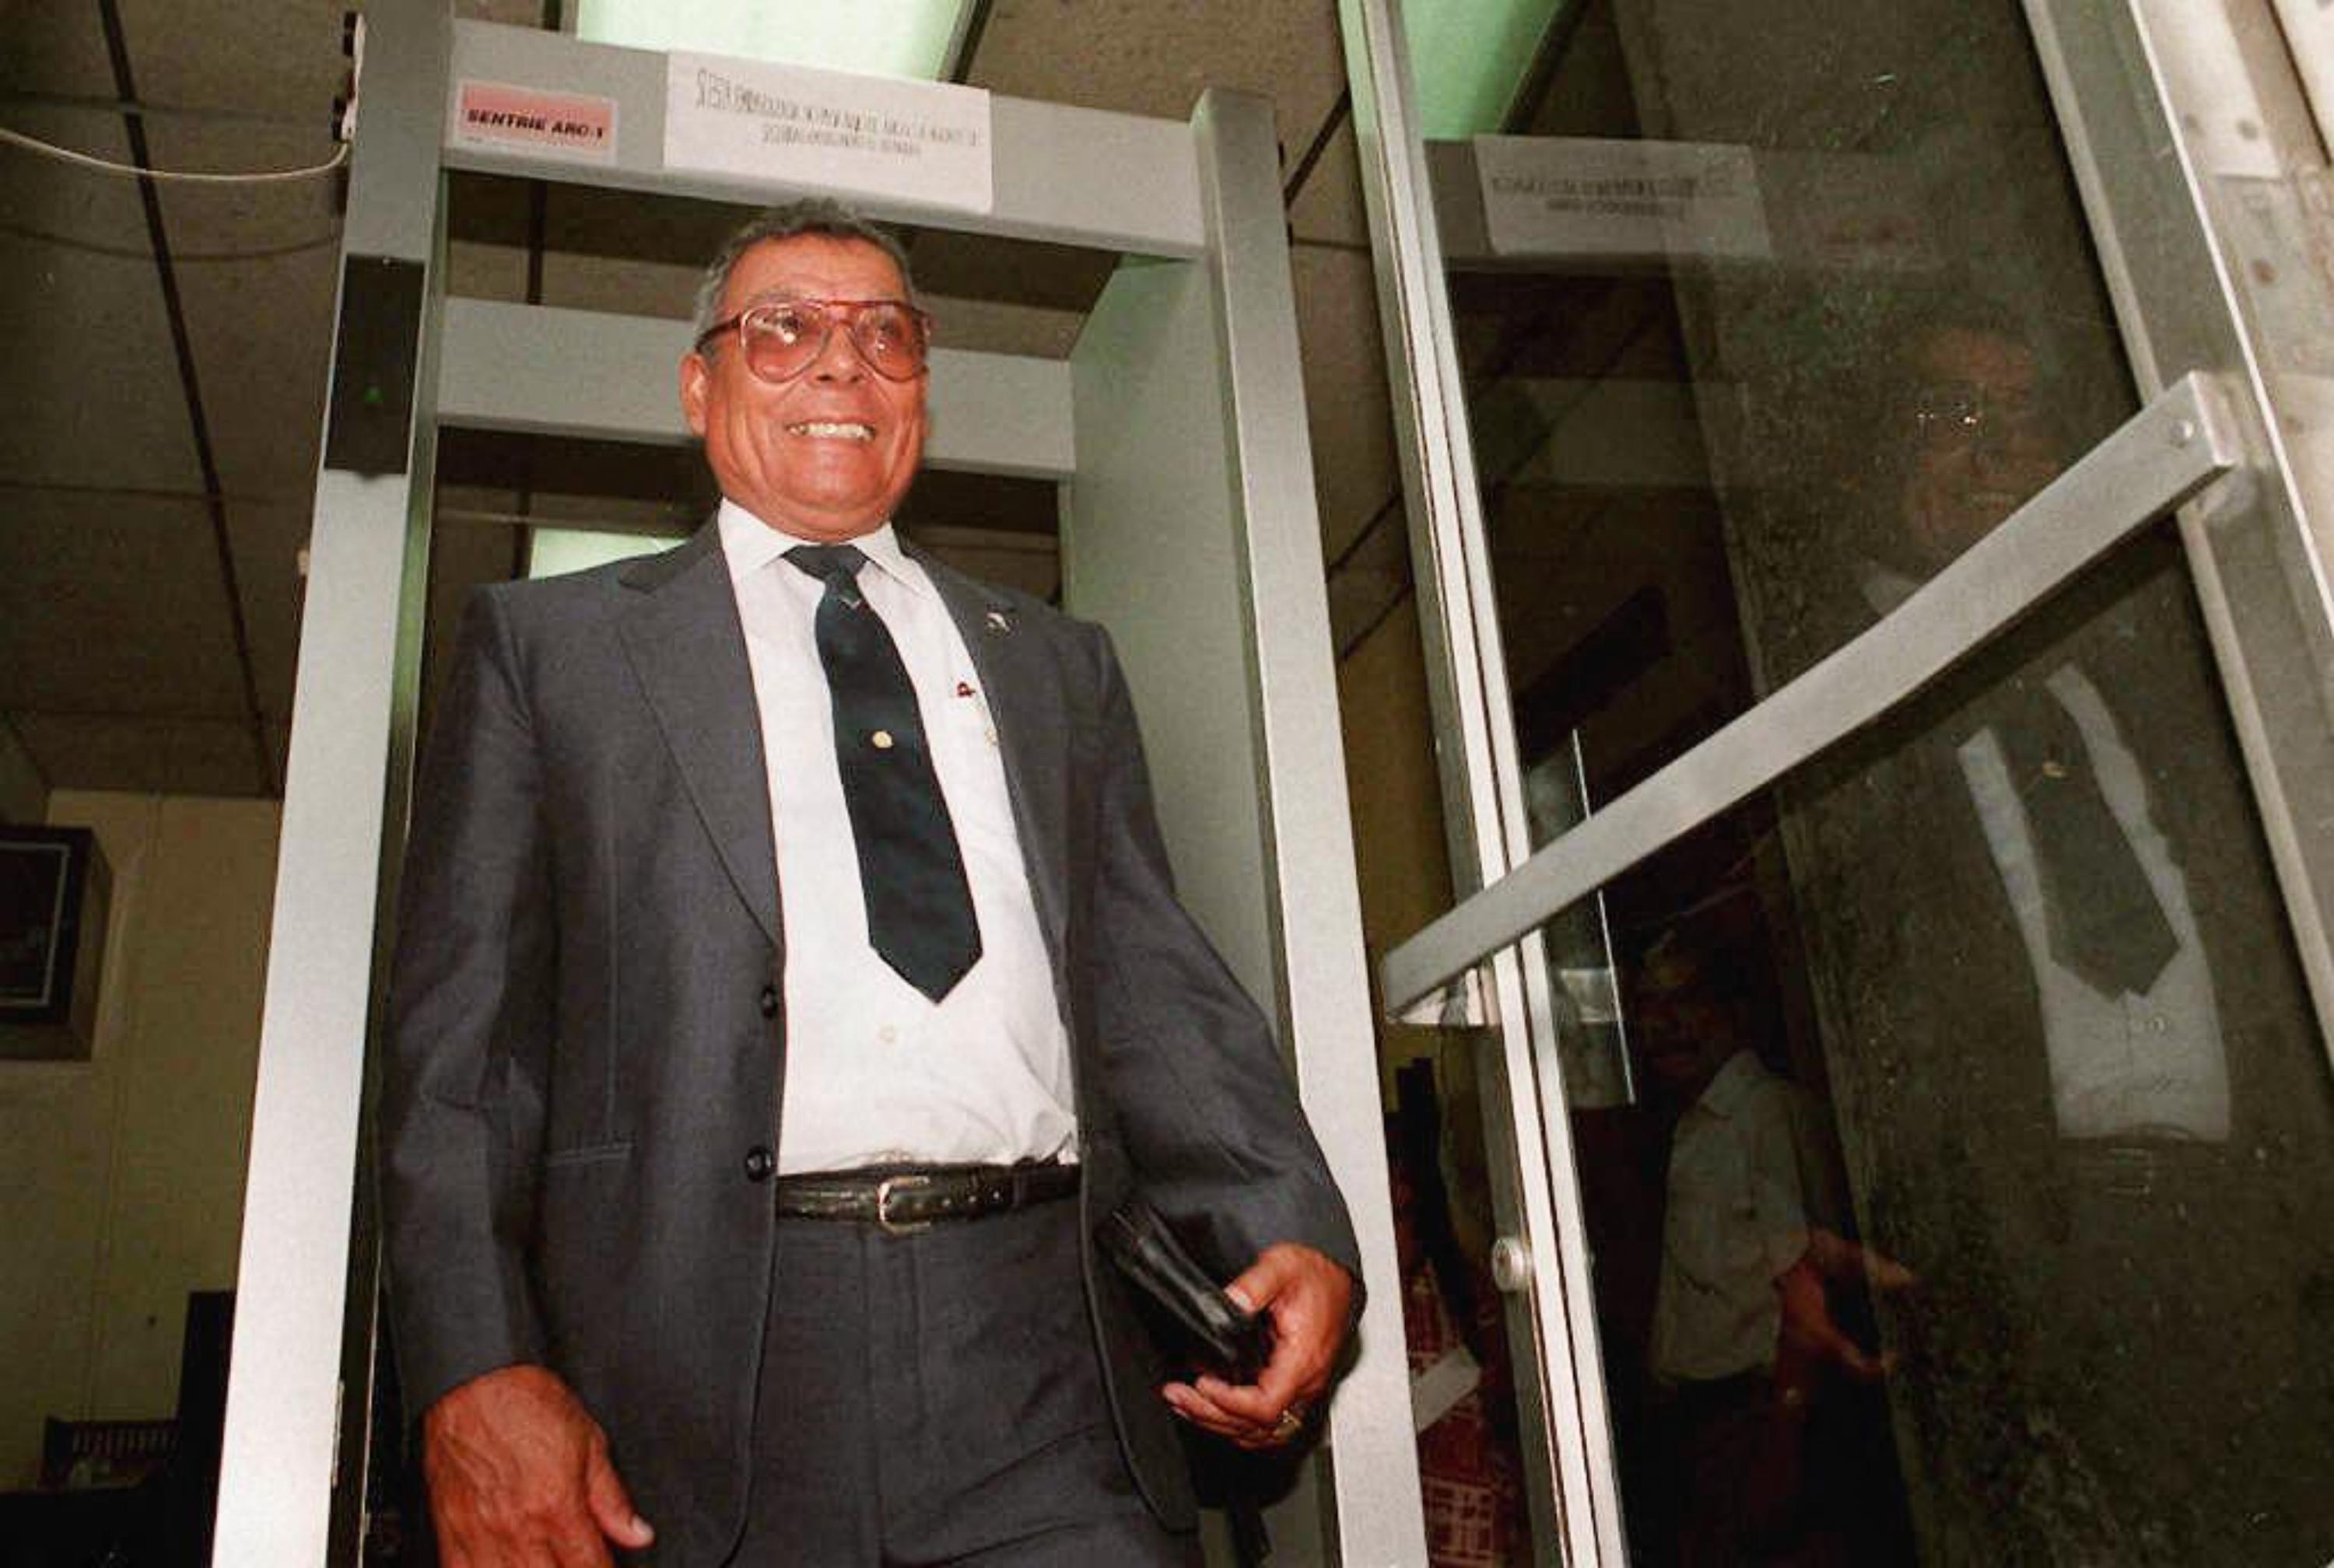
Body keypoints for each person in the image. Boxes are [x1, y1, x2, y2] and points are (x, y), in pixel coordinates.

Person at [379, 198, 1362, 1567]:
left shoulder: (1056, 664)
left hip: (1048, 1368)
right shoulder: (554, 650)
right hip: (700, 1372)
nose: (843, 362)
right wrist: (473, 1366)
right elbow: (462, 1057)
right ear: (699, 384)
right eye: (783, 328)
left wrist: (1289, 1220)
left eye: (884, 334)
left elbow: (1148, 978)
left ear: (922, 391)